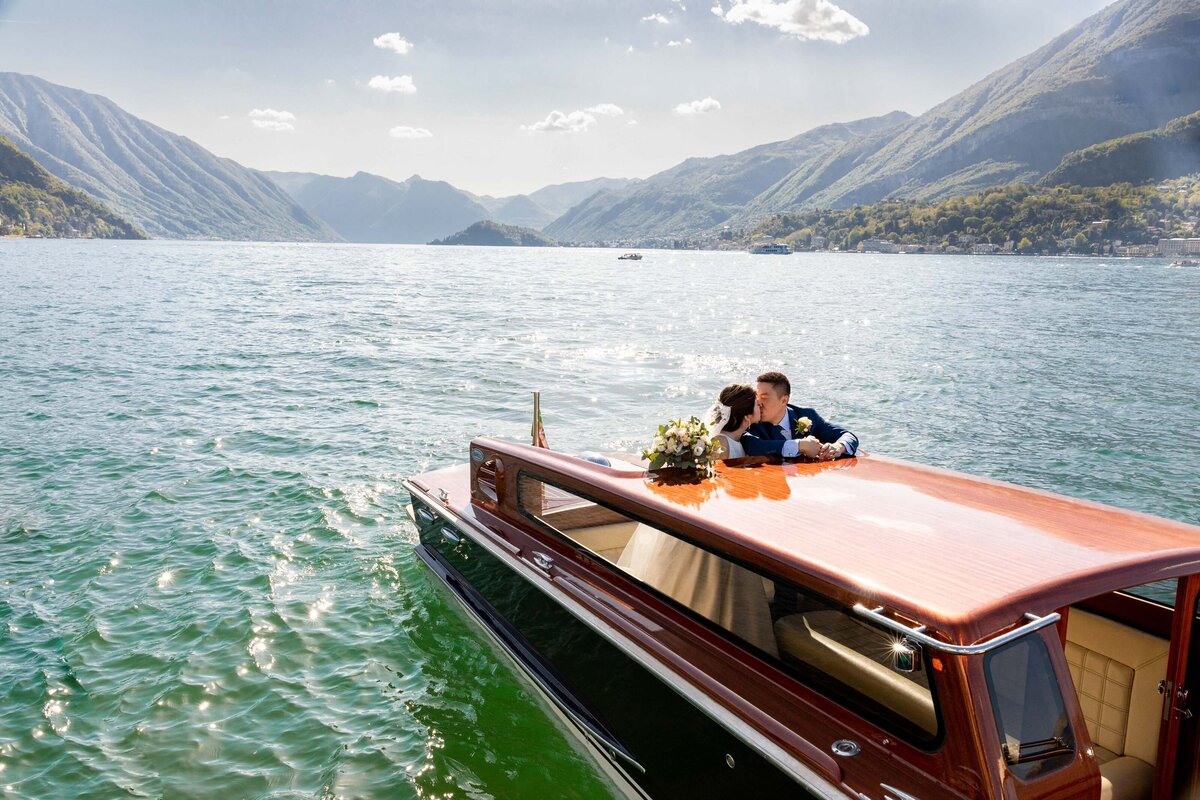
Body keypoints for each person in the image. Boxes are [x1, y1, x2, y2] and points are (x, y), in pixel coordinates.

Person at [741, 371, 858, 460]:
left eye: (764, 398)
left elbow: (848, 435)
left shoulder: (807, 415)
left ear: (784, 400)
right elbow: (751, 445)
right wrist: (800, 445)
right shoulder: (753, 421)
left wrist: (838, 447)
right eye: (757, 397)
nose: (758, 403)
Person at [704, 383, 761, 459]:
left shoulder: (739, 439)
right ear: (747, 416)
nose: (760, 405)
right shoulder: (721, 442)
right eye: (757, 404)